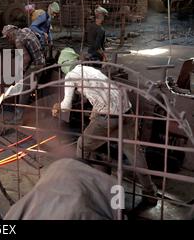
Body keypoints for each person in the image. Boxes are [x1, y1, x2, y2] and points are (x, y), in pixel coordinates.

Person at [52, 51, 158, 206]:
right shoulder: (91, 70)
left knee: (83, 145)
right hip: (127, 111)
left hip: (108, 116)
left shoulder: (70, 76)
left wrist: (57, 107)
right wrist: (96, 109)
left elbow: (66, 106)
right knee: (134, 154)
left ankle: (84, 186)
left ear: (63, 65)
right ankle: (150, 193)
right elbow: (106, 91)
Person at [2, 25, 45, 124]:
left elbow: (27, 59)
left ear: (11, 33)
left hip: (37, 65)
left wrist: (21, 71)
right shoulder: (25, 30)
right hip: (41, 59)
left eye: (8, 37)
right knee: (33, 86)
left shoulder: (18, 40)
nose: (8, 40)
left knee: (24, 89)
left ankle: (18, 118)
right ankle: (42, 112)